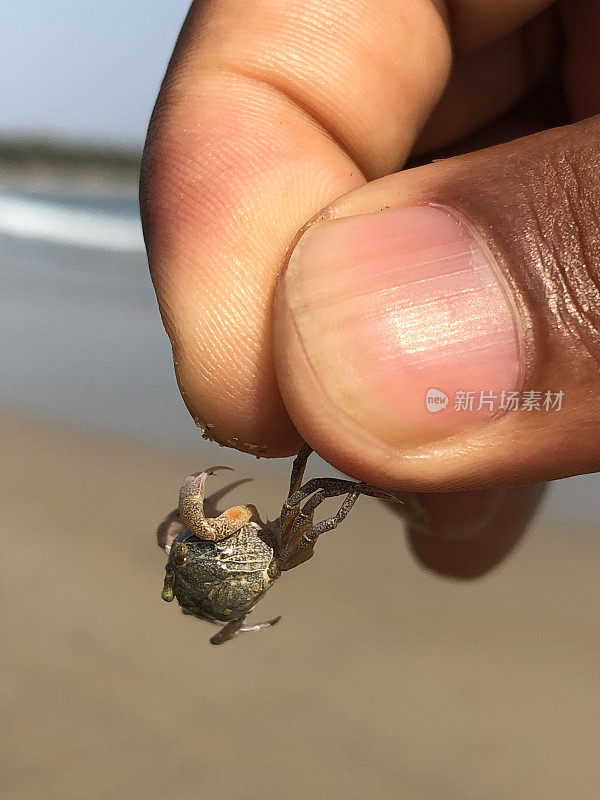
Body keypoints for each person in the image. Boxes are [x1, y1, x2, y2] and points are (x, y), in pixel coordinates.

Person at [140, 0, 599, 579]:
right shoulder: (263, 544)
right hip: (252, 564)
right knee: (315, 490)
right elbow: (293, 512)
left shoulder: (240, 551)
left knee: (311, 483)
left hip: (247, 567)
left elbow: (215, 531)